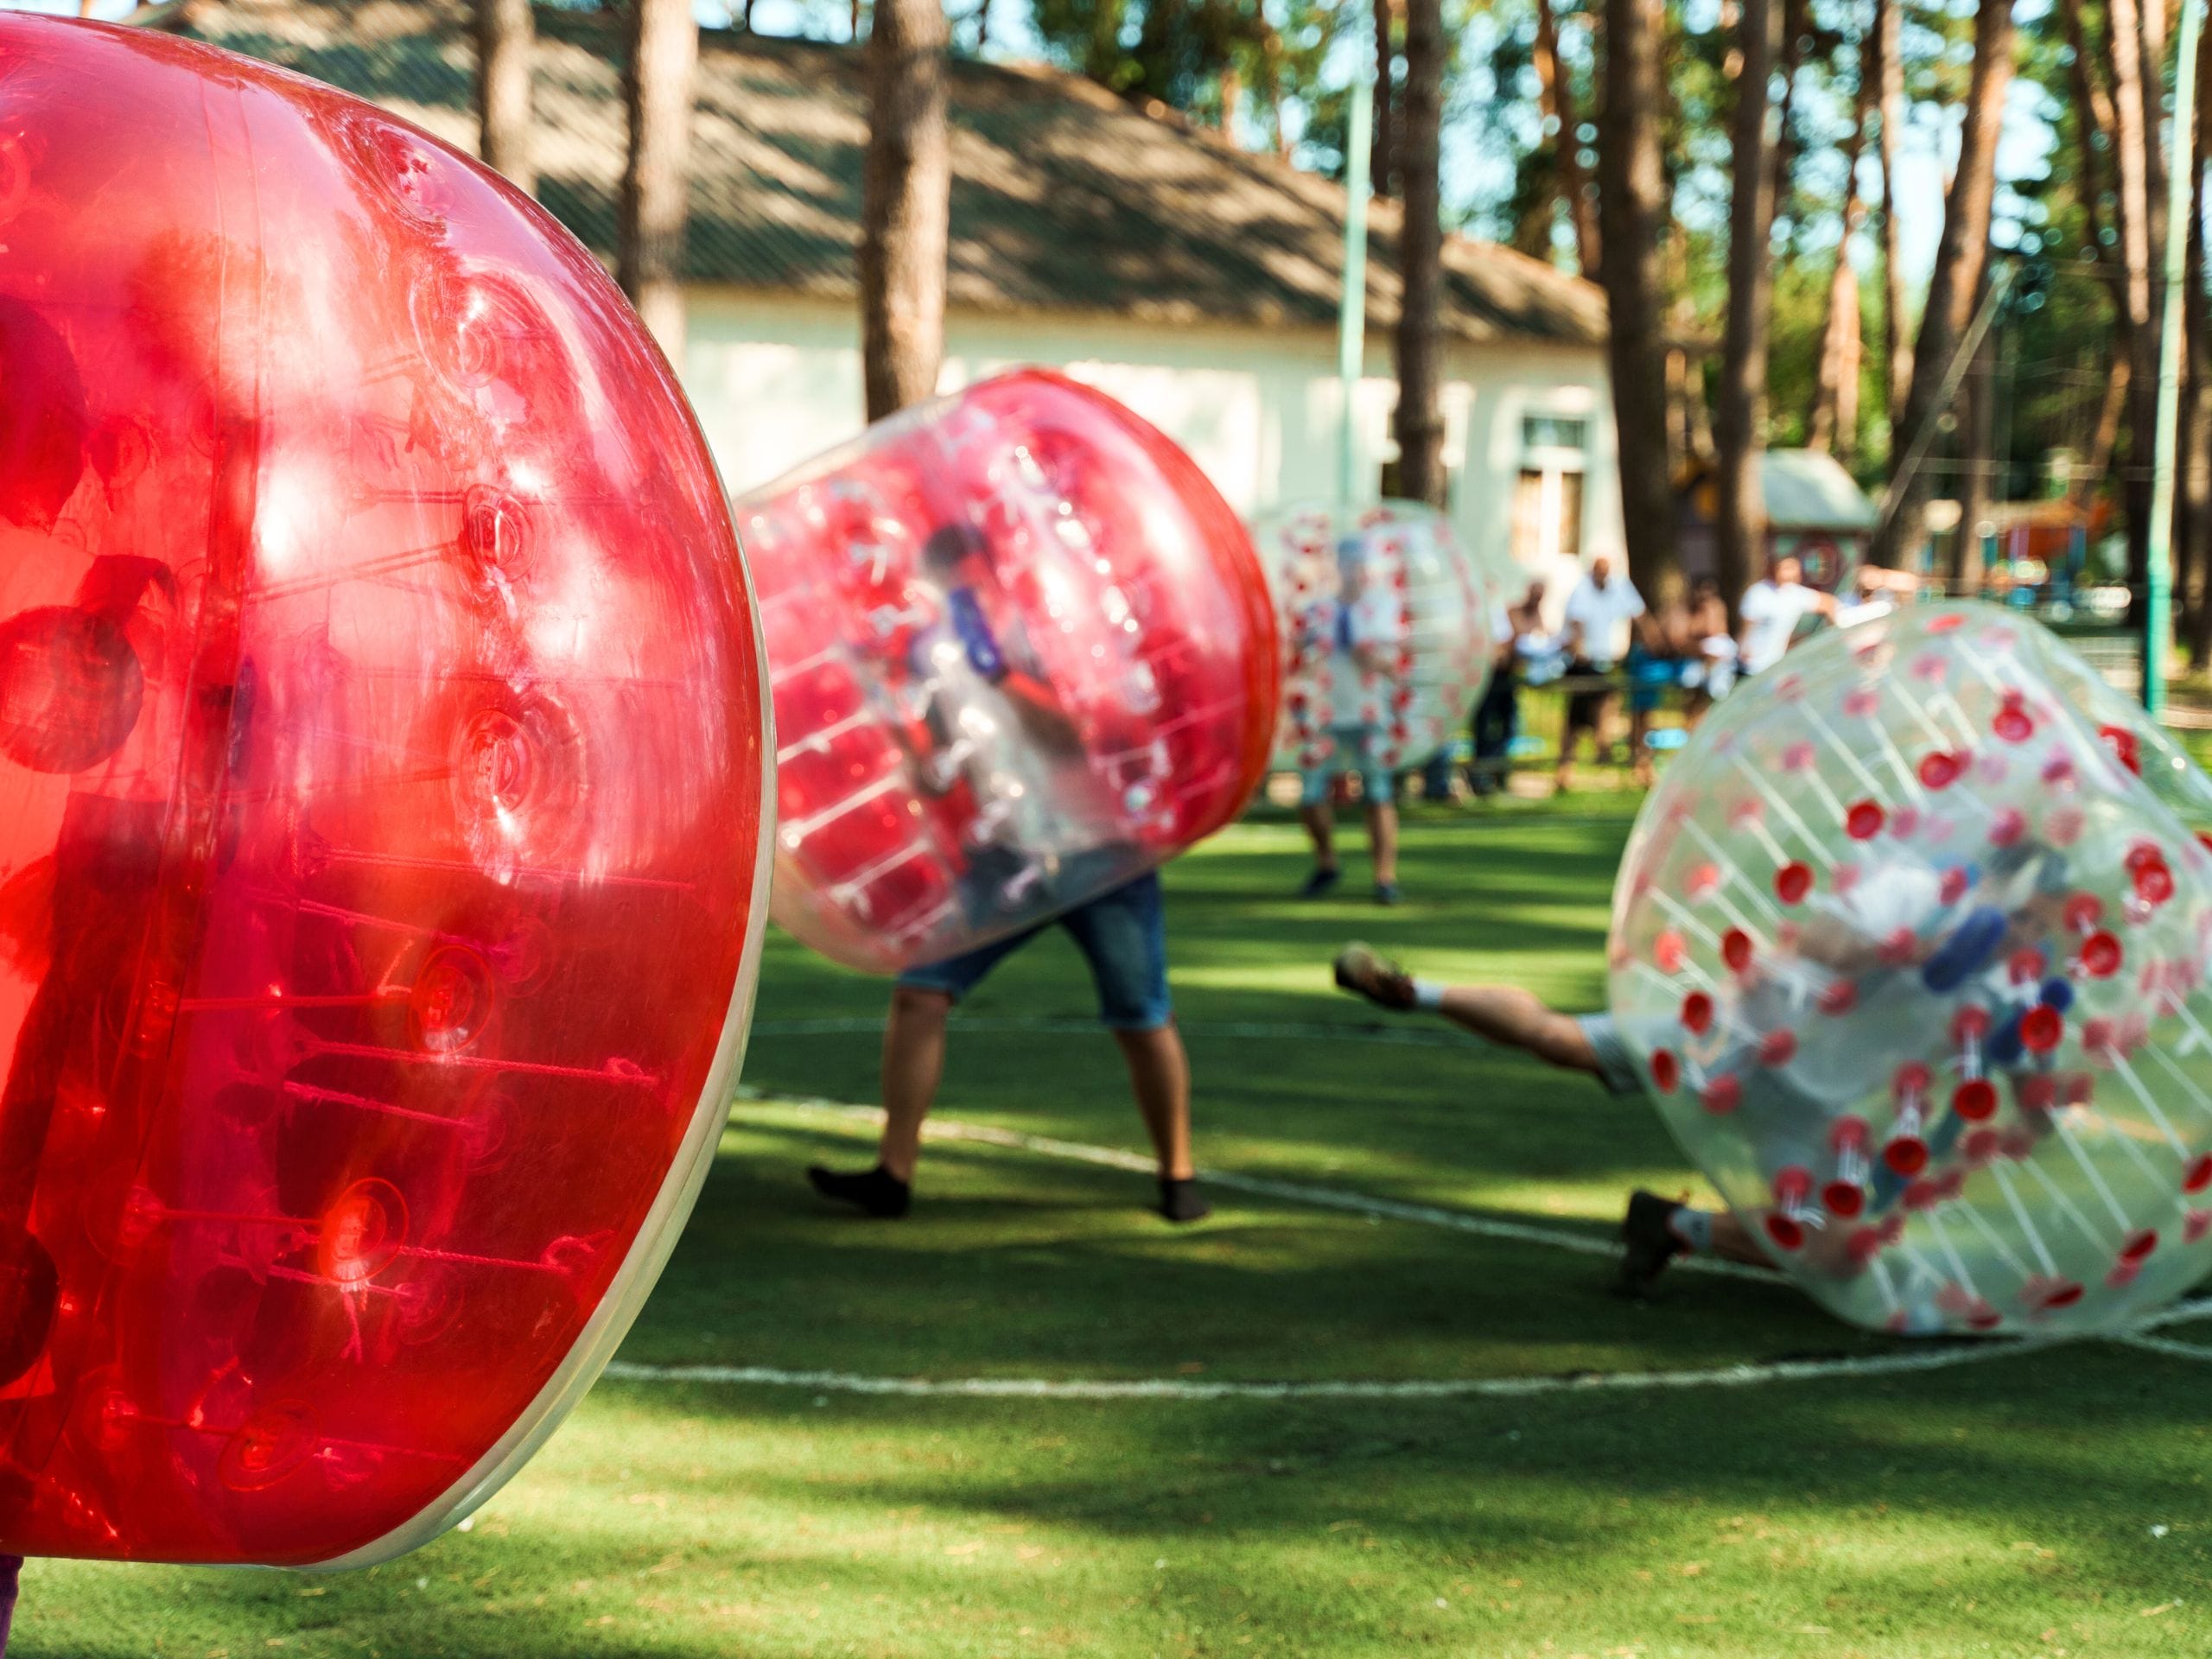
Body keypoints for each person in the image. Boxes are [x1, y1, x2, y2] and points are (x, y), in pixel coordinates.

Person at [1328, 942, 1770, 1289]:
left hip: (1791, 1066)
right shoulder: (1842, 899)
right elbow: (1822, 945)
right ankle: (1411, 991)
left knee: (1832, 1242)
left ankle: (1671, 1224)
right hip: (1764, 1049)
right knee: (1559, 1038)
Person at [808, 870, 1210, 1224]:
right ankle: (892, 1174)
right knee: (921, 991)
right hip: (1005, 861)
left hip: (1108, 862)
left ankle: (1178, 1174)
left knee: (1141, 1017)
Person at [1555, 555, 1645, 793]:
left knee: (1609, 702)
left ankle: (1604, 746)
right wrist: (1580, 650)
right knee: (1575, 721)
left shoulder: (1618, 587)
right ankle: (1566, 771)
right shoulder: (1582, 591)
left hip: (1604, 662)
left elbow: (1640, 615)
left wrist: (1652, 644)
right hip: (1584, 664)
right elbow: (1577, 626)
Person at [1470, 581, 1545, 796]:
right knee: (1484, 729)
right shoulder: (1504, 612)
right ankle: (1481, 776)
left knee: (1508, 728)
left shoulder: (1501, 612)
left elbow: (1512, 640)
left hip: (1505, 677)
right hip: (1487, 679)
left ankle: (1496, 773)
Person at [1737, 552, 1836, 678]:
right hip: (1751, 667)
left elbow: (1829, 603)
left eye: (1794, 569)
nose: (1791, 574)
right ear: (1774, 569)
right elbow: (1747, 627)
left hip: (1775, 667)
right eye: (1786, 568)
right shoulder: (1758, 593)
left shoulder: (1795, 594)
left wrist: (1832, 638)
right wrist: (1745, 650)